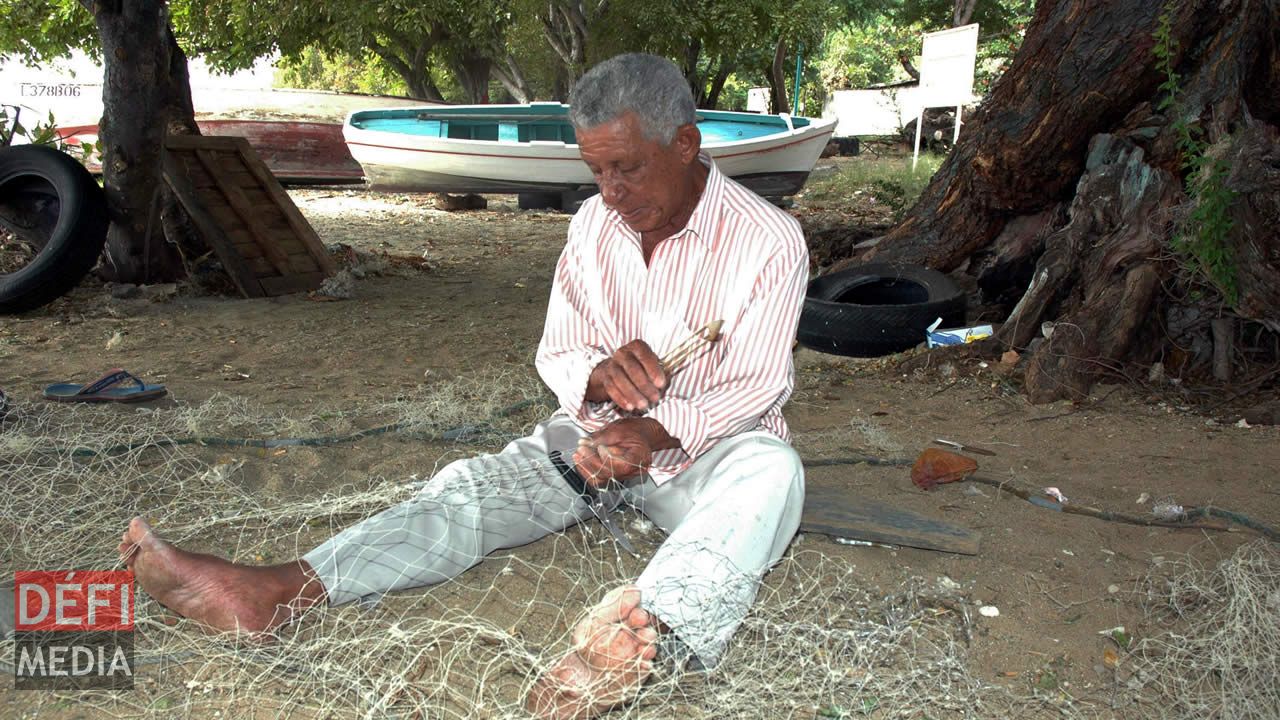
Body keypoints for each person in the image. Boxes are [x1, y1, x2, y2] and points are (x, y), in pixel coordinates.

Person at [118, 52, 808, 720]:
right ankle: (276, 590)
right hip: (594, 446)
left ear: (685, 144)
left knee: (772, 473)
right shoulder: (595, 225)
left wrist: (655, 430)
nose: (611, 192)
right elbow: (562, 350)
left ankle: (636, 640)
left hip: (708, 458)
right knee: (473, 488)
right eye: (595, 169)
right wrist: (597, 381)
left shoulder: (768, 240)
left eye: (626, 167)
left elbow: (758, 384)